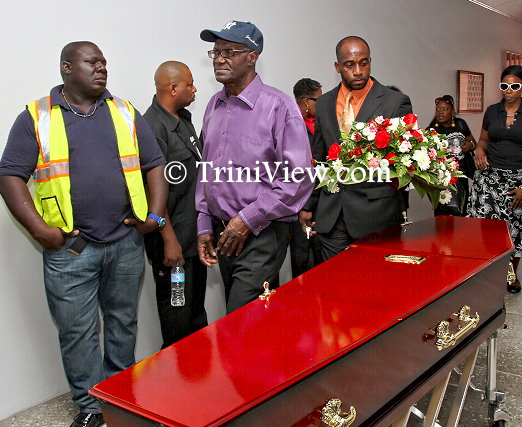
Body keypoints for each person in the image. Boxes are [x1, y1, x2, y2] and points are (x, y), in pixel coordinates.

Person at [0, 41, 167, 427]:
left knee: (123, 320)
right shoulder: (37, 116)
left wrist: (155, 217)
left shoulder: (124, 111)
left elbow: (155, 163)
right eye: (92, 62)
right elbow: (9, 174)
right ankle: (91, 407)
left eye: (104, 62)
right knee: (78, 331)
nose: (102, 68)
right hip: (71, 250)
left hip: (125, 242)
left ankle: (120, 396)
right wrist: (41, 231)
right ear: (67, 68)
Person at [196, 21, 313, 313]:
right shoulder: (214, 105)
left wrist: (246, 220)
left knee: (240, 317)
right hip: (225, 233)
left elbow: (298, 179)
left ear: (252, 57)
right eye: (216, 52)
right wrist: (204, 224)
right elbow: (206, 169)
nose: (219, 59)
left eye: (229, 52)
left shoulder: (279, 106)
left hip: (263, 234)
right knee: (250, 319)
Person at [300, 36, 413, 263]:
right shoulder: (324, 103)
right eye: (349, 65)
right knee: (333, 280)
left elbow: (403, 159)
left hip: (376, 215)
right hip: (332, 215)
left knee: (373, 280)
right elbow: (319, 158)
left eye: (364, 63)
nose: (358, 71)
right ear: (337, 66)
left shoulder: (394, 101)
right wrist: (308, 205)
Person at [143, 61, 207, 348]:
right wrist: (169, 240)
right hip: (173, 246)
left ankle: (198, 372)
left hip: (192, 238)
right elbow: (151, 192)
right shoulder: (152, 127)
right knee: (177, 322)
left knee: (196, 318)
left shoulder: (183, 120)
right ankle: (177, 374)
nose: (194, 89)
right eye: (189, 84)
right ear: (172, 88)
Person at [466, 65, 522, 294]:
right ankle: (490, 273)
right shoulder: (492, 111)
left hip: (520, 180)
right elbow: (483, 140)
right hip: (490, 179)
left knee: (515, 230)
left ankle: (511, 274)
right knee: (490, 230)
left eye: (514, 86)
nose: (508, 90)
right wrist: (479, 150)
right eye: (504, 86)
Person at [290, 78, 322, 277]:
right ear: (306, 101)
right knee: (301, 260)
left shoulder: (321, 123)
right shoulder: (290, 125)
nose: (323, 104)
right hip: (297, 204)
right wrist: (304, 206)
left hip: (320, 201)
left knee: (322, 259)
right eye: (319, 100)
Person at [427, 95, 477, 216]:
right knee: (442, 212)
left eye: (445, 109)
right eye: (438, 109)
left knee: (461, 211)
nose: (440, 112)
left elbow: (474, 143)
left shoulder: (461, 124)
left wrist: (469, 145)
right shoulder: (432, 130)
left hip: (461, 176)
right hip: (441, 179)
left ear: (452, 111)